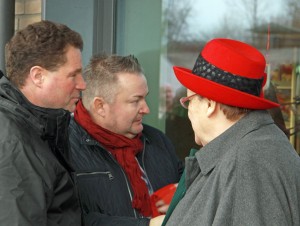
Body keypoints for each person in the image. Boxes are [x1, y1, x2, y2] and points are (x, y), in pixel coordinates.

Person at [161, 38, 300, 226]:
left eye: (189, 102)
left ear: (210, 105)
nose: (189, 113)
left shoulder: (246, 166)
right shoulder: (256, 147)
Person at [68, 54, 183, 226]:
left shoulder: (158, 140)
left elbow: (193, 186)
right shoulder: (62, 147)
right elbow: (69, 220)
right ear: (100, 106)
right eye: (135, 101)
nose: (146, 109)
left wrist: (182, 194)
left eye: (145, 97)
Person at [0, 20, 86, 226]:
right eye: (73, 75)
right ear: (38, 76)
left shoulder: (38, 128)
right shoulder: (14, 143)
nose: (82, 84)